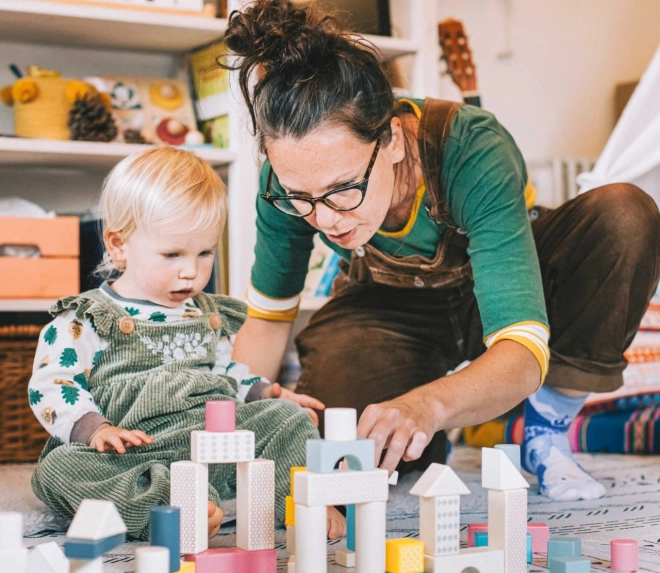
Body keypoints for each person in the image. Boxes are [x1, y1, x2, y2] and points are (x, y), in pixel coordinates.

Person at [224, 0, 660, 501]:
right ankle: (437, 439)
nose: (323, 218)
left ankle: (546, 430)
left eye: (343, 189)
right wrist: (239, 421)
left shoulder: (472, 146)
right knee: (350, 447)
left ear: (389, 138)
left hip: (496, 291)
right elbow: (267, 320)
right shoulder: (283, 185)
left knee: (625, 213)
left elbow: (520, 351)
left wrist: (427, 406)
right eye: (300, 198)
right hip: (388, 309)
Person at [28, 146, 345, 540]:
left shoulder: (205, 313)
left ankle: (302, 500)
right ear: (119, 245)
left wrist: (265, 392)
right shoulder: (85, 317)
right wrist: (95, 429)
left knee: (289, 420)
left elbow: (224, 371)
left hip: (210, 440)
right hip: (131, 452)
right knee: (58, 470)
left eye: (205, 253)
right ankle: (163, 510)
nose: (191, 272)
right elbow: (52, 383)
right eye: (172, 254)